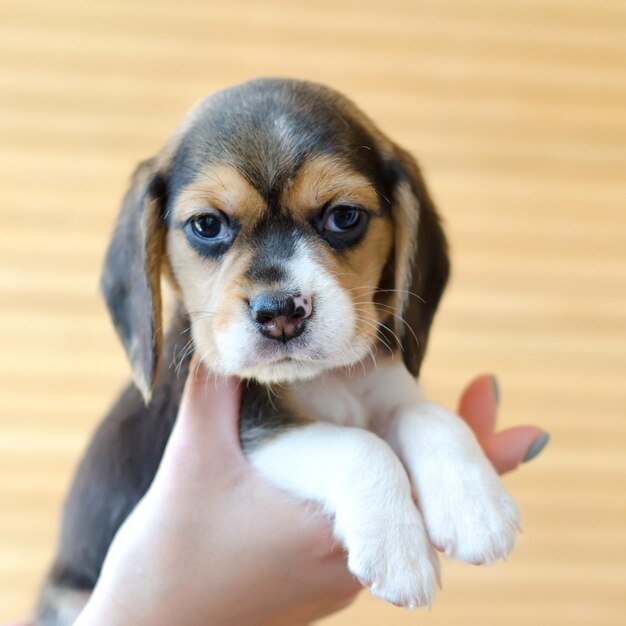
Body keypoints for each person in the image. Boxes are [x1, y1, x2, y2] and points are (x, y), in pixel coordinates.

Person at [11, 366, 549, 626]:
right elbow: (256, 439)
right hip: (75, 603)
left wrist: (438, 442)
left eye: (341, 221)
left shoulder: (371, 339)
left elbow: (396, 410)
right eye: (210, 228)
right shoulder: (212, 350)